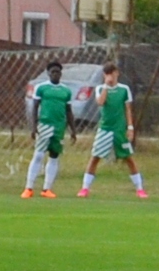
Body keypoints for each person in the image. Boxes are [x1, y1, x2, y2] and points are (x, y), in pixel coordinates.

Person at [77, 61, 147, 199]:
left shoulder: (124, 89)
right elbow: (100, 102)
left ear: (117, 74)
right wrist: (106, 87)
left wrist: (130, 128)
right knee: (95, 157)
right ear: (104, 75)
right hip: (105, 129)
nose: (110, 76)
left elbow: (127, 109)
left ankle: (140, 189)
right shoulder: (100, 89)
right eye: (107, 74)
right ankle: (85, 188)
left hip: (120, 130)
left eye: (112, 73)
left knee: (128, 158)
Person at [22, 61, 71, 198]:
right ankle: (29, 188)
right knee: (38, 155)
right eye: (53, 72)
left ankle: (46, 189)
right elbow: (35, 107)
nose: (55, 74)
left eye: (58, 72)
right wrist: (33, 126)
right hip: (44, 125)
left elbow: (69, 110)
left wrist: (72, 130)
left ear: (61, 74)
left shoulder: (65, 90)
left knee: (54, 156)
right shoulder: (41, 88)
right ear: (48, 73)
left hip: (59, 127)